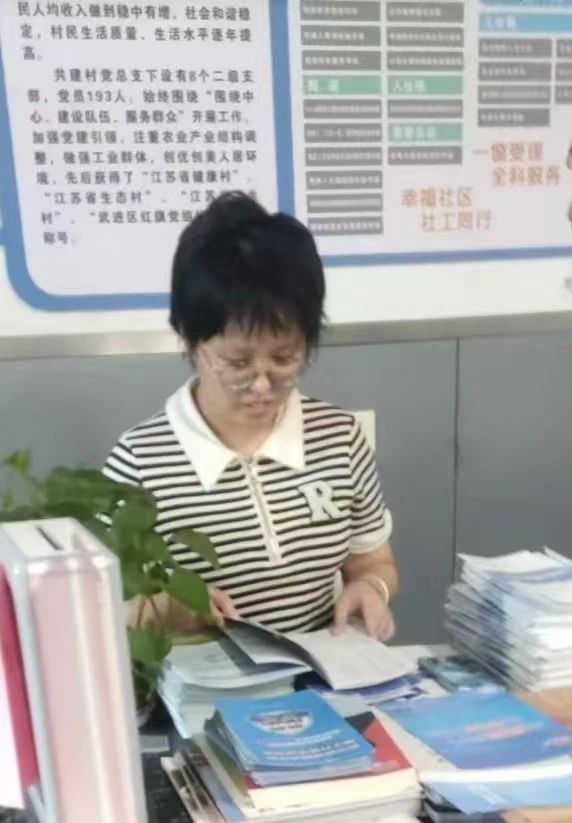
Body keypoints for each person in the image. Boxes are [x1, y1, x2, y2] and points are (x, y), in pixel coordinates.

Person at [104, 193, 399, 639]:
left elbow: (374, 559)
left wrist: (371, 588)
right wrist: (169, 609)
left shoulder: (339, 437)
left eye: (284, 358)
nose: (262, 385)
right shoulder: (139, 462)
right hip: (207, 681)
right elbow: (106, 610)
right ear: (189, 339)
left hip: (322, 675)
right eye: (237, 363)